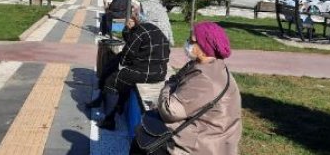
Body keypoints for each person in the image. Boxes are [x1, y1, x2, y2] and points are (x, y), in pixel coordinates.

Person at [131, 21, 241, 154]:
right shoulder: (210, 65)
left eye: (192, 40)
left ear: (205, 46)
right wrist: (172, 84)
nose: (187, 42)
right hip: (211, 136)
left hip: (205, 145)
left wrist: (167, 87)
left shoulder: (205, 79)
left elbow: (169, 111)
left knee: (141, 143)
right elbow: (177, 80)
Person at [88, 15, 170, 130]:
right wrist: (127, 29)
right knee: (112, 65)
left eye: (133, 18)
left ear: (137, 20)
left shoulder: (140, 31)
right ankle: (104, 100)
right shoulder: (155, 30)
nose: (131, 20)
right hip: (159, 72)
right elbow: (129, 40)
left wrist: (123, 64)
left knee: (112, 81)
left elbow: (127, 54)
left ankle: (109, 121)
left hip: (145, 72)